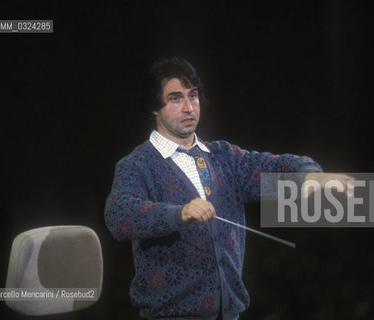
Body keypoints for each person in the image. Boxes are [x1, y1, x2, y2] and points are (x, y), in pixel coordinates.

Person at [104, 57, 348, 319]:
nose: (189, 107)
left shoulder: (224, 156)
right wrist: (180, 212)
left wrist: (308, 175)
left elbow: (272, 165)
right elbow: (119, 216)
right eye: (176, 98)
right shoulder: (137, 164)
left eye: (193, 96)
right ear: (154, 107)